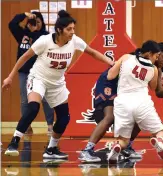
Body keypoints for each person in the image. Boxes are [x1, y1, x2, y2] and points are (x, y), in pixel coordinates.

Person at [2, 10, 114, 158]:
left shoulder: (75, 41)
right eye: (69, 29)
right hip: (38, 78)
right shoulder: (44, 41)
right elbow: (25, 57)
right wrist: (10, 77)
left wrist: (111, 63)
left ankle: (51, 149)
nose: (72, 32)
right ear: (59, 30)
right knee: (33, 107)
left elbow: (92, 52)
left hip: (57, 83)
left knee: (64, 118)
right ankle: (14, 142)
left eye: (73, 28)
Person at [79, 42, 163, 162]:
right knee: (110, 117)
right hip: (110, 83)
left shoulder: (154, 68)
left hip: (125, 93)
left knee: (138, 118)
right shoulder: (134, 58)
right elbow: (111, 75)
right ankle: (87, 150)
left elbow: (158, 92)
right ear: (153, 54)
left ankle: (126, 146)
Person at [106, 40, 163, 161]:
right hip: (142, 103)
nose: (156, 59)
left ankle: (117, 146)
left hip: (123, 103)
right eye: (156, 56)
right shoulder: (153, 69)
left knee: (123, 140)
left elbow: (110, 75)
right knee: (162, 132)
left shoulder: (126, 58)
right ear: (150, 53)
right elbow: (152, 87)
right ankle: (159, 140)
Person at [8, 11, 54, 134]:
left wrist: (34, 32)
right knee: (25, 100)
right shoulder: (22, 34)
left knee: (45, 98)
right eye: (33, 22)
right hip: (24, 72)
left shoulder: (45, 36)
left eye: (38, 22)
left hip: (41, 73)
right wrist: (24, 15)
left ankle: (50, 125)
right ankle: (26, 126)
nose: (36, 24)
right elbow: (12, 24)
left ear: (42, 23)